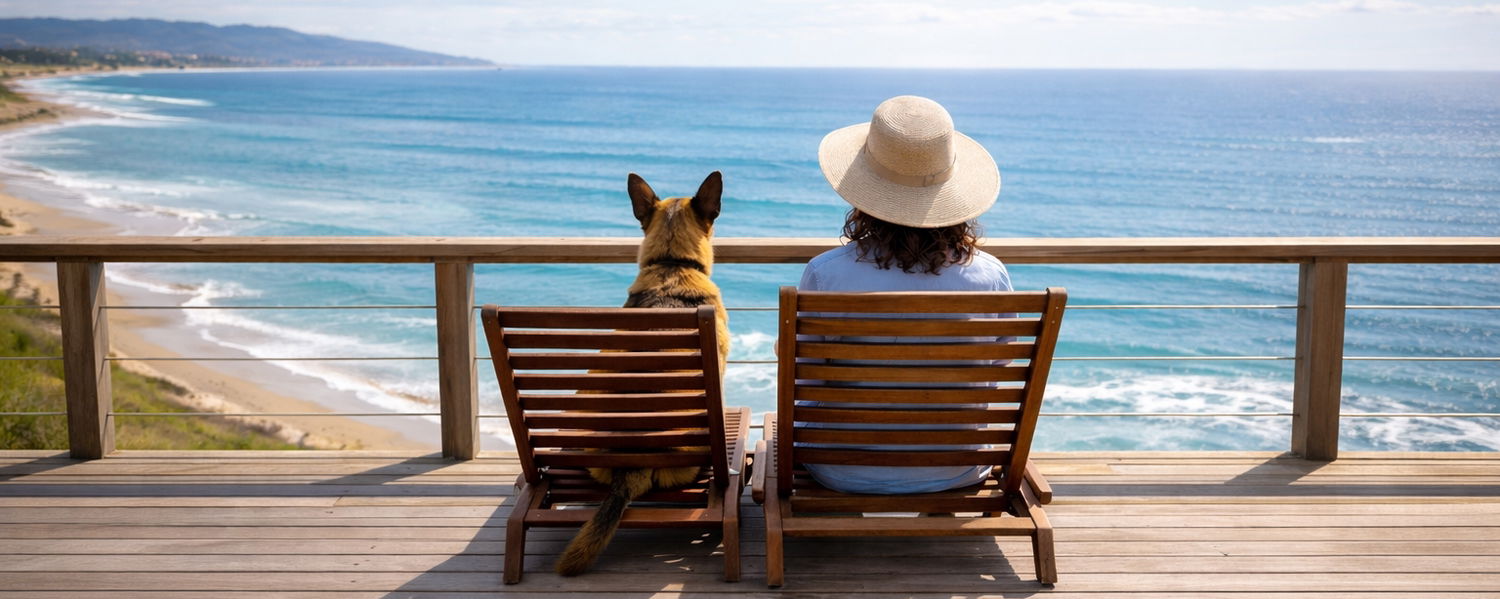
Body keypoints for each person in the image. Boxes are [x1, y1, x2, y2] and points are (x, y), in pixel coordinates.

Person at [798, 95, 1010, 494]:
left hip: (842, 468)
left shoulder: (827, 273)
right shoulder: (990, 275)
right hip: (958, 465)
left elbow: (804, 372)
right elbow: (997, 368)